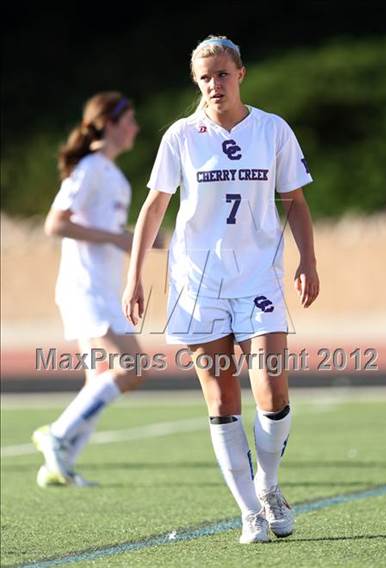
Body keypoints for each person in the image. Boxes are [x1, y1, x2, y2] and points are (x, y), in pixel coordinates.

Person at [123, 36, 319, 543]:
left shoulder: (272, 130)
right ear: (197, 82)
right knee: (221, 395)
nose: (215, 84)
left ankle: (269, 485)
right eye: (205, 77)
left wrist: (308, 260)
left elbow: (294, 200)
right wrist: (135, 276)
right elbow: (154, 208)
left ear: (241, 74)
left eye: (223, 74)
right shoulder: (182, 136)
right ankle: (249, 510)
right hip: (197, 281)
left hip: (257, 277)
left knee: (272, 388)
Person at [32, 92, 143, 487]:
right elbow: (55, 224)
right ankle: (57, 436)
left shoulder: (115, 176)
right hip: (85, 288)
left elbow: (113, 234)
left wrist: (152, 240)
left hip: (103, 289)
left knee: (98, 377)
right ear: (109, 124)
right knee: (131, 367)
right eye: (129, 120)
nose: (135, 128)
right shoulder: (91, 168)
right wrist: (115, 240)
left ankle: (59, 465)